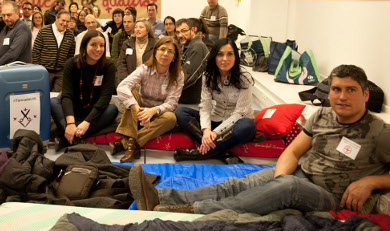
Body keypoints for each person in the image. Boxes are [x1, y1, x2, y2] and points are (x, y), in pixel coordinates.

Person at [131, 64, 390, 215]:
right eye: (336, 89)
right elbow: (293, 152)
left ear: (366, 94)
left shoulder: (379, 131)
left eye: (351, 90)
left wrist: (370, 182)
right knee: (238, 183)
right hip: (301, 175)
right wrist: (279, 177)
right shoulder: (322, 115)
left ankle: (193, 210)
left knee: (289, 188)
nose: (342, 96)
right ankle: (160, 194)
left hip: (332, 195)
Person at [173, 38, 254, 163]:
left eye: (230, 54)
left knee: (247, 126)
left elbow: (240, 113)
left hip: (235, 124)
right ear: (214, 56)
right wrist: (206, 131)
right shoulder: (208, 75)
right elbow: (205, 106)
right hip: (216, 118)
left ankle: (199, 152)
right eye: (220, 54)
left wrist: (215, 133)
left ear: (236, 56)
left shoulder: (244, 77)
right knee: (180, 112)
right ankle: (219, 150)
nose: (225, 59)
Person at [113, 36, 185, 163]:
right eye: (162, 49)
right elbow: (122, 87)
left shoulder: (178, 75)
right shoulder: (144, 69)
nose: (165, 54)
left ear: (174, 57)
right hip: (139, 112)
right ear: (155, 52)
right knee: (133, 93)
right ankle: (132, 145)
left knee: (171, 118)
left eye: (170, 51)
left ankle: (127, 143)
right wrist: (136, 108)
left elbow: (172, 103)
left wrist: (153, 111)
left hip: (158, 114)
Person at [50, 30, 118, 151]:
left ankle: (66, 137)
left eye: (102, 45)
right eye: (93, 45)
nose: (98, 49)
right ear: (84, 46)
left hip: (94, 113)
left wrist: (87, 122)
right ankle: (76, 135)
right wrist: (70, 124)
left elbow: (104, 99)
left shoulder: (108, 66)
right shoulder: (71, 63)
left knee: (112, 109)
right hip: (72, 111)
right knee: (53, 102)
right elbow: (67, 96)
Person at [32, 10, 75, 92]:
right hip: (44, 71)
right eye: (63, 20)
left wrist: (65, 68)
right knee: (43, 94)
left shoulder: (70, 34)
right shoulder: (44, 31)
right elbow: (36, 52)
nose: (65, 23)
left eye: (67, 21)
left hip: (61, 73)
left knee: (56, 98)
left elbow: (70, 54)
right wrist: (38, 69)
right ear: (56, 18)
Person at [174, 17, 209, 107]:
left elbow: (189, 76)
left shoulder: (198, 46)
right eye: (177, 32)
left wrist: (171, 92)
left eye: (184, 31)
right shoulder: (187, 46)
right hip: (183, 97)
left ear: (193, 30)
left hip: (191, 101)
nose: (180, 35)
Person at [117, 18, 155, 84]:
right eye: (136, 27)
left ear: (147, 30)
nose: (137, 29)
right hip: (129, 81)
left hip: (149, 82)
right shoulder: (127, 44)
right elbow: (121, 63)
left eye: (141, 27)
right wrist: (127, 80)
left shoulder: (154, 45)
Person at [0, 1, 32, 66]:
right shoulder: (5, 28)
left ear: (17, 13)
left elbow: (13, 53)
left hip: (17, 71)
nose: (5, 18)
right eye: (3, 15)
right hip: (4, 70)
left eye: (9, 15)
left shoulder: (22, 29)